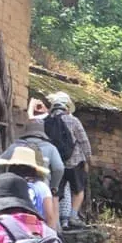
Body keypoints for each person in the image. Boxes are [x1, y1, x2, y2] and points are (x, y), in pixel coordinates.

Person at [46, 92, 92, 229]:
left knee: (56, 191)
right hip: (75, 161)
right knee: (78, 190)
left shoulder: (46, 121)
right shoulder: (73, 120)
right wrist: (88, 159)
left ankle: (56, 222)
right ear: (66, 107)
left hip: (56, 163)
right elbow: (84, 141)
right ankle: (73, 217)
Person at [0, 142, 59, 231]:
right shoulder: (41, 187)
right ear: (34, 167)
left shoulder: (6, 185)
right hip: (36, 235)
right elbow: (50, 217)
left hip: (11, 233)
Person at [19, 98, 65, 199]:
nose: (39, 108)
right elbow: (59, 168)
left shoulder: (18, 145)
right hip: (43, 184)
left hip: (20, 187)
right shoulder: (50, 148)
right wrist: (54, 186)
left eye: (41, 105)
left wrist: (31, 106)